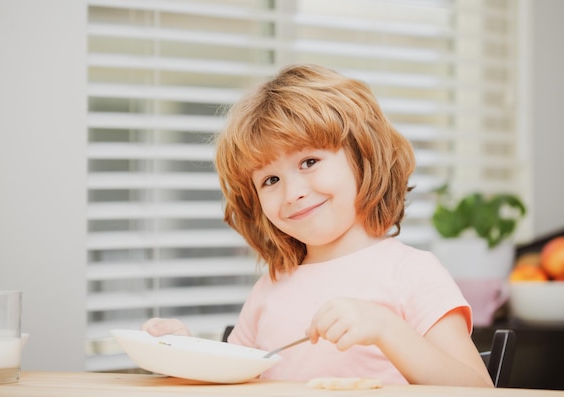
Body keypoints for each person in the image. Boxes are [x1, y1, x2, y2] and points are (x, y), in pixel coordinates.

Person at [142, 64, 493, 387]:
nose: (292, 193)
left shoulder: (412, 273)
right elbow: (235, 379)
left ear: (362, 156)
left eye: (309, 161)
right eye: (270, 180)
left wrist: (389, 329)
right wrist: (185, 353)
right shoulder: (271, 286)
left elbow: (479, 390)